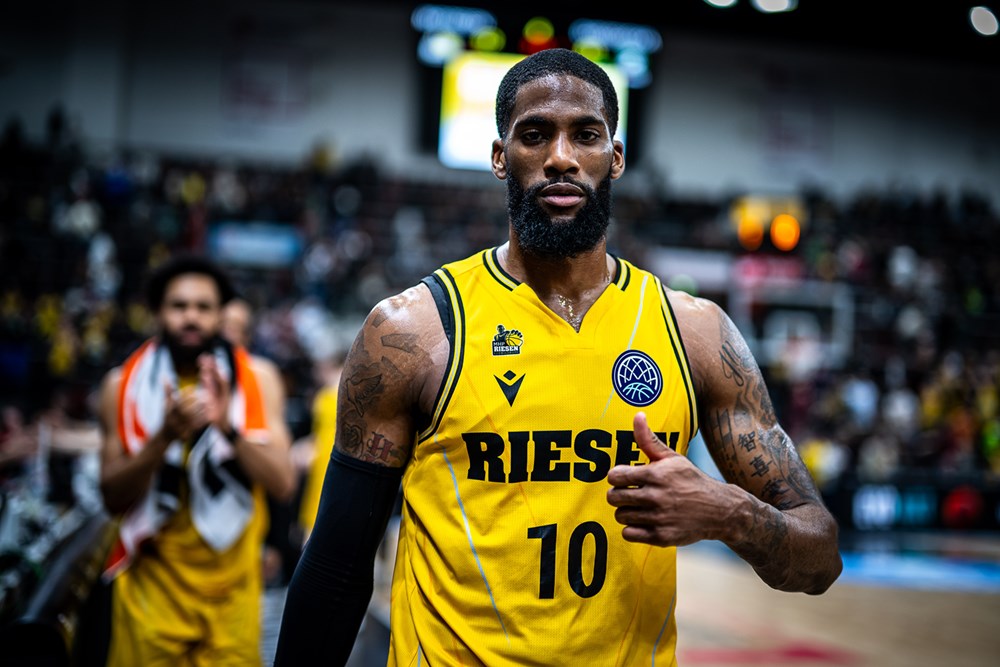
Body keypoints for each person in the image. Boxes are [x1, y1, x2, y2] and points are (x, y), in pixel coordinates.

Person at [274, 48, 842, 666]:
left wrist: (730, 514)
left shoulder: (694, 332)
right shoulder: (413, 332)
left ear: (615, 157)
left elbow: (820, 558)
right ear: (500, 157)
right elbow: (336, 567)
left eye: (586, 136)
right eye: (535, 135)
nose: (561, 157)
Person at [97, 253, 296, 666]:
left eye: (203, 307)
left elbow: (283, 484)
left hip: (232, 600)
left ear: (221, 314)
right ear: (157, 312)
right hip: (152, 597)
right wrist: (163, 438)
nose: (191, 317)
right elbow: (112, 496)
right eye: (179, 306)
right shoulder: (121, 385)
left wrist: (228, 428)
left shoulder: (258, 379)